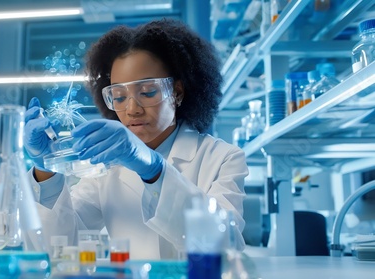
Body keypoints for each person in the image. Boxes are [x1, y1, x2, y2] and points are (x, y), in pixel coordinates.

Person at [23, 18, 248, 259]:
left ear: (177, 92)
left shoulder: (223, 158)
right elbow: (59, 247)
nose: (132, 109)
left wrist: (153, 169)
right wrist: (45, 173)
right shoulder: (106, 168)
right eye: (119, 96)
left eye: (148, 92)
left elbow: (226, 245)